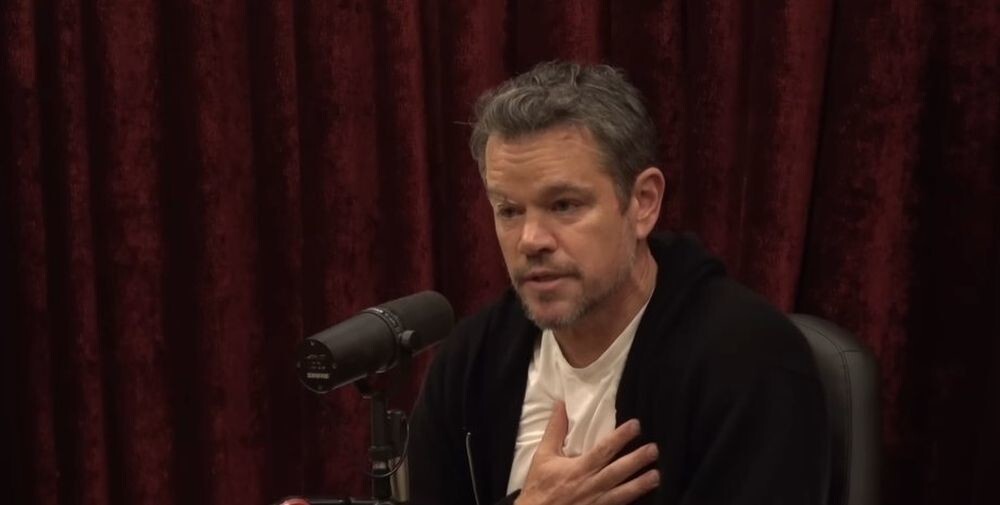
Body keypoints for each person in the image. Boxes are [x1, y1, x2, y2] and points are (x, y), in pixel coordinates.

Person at [408, 61, 830, 505]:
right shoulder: (470, 362)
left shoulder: (750, 361)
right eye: (509, 211)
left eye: (564, 205)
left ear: (643, 203)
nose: (531, 240)